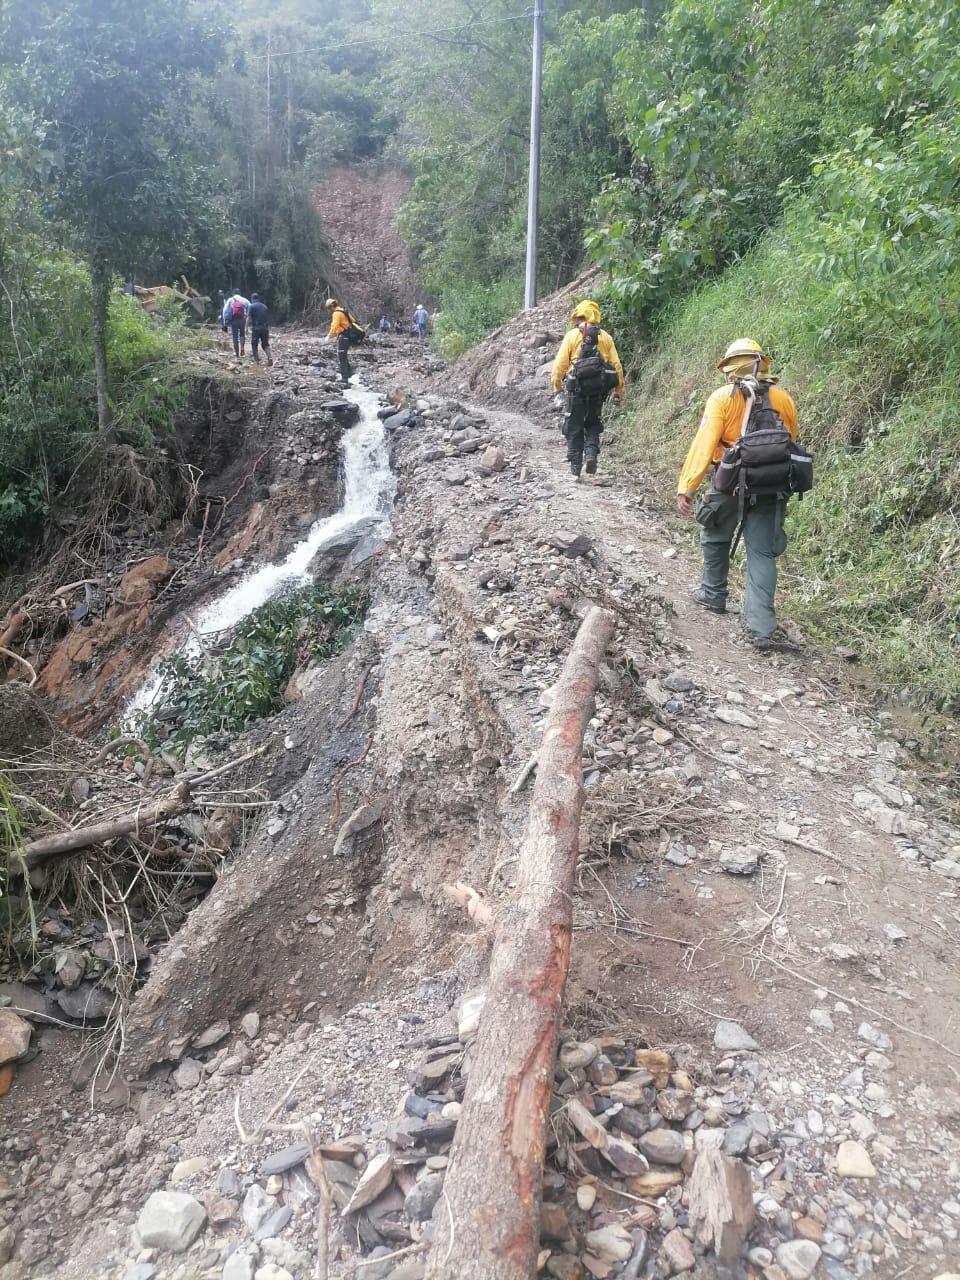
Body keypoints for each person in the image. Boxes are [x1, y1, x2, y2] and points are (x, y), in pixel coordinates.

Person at [676, 338, 799, 650]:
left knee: (715, 533)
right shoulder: (783, 398)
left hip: (728, 479)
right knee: (761, 553)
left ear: (728, 368)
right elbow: (791, 442)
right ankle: (761, 627)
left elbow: (704, 445)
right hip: (771, 486)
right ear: (763, 364)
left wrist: (687, 486)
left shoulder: (722, 398)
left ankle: (713, 594)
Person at [550, 300, 624, 478]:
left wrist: (556, 386)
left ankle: (576, 467)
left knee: (574, 425)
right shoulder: (605, 337)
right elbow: (617, 365)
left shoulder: (572, 336)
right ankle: (591, 455)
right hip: (598, 389)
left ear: (579, 316)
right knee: (592, 422)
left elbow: (560, 365)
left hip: (576, 388)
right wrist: (618, 392)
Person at [325, 297, 358, 386]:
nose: (329, 311)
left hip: (343, 338)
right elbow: (353, 321)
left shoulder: (336, 314)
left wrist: (329, 335)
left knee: (341, 358)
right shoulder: (344, 311)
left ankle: (345, 379)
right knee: (344, 356)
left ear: (331, 307)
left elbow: (334, 325)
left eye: (328, 309)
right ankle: (349, 374)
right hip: (348, 337)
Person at [221, 288, 250, 360]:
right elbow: (250, 309)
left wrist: (225, 323)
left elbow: (225, 311)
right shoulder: (245, 300)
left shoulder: (230, 300)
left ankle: (237, 354)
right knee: (242, 334)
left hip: (234, 319)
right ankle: (242, 348)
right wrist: (248, 319)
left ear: (233, 293)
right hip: (243, 319)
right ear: (240, 293)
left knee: (235, 336)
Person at [247, 293, 273, 366]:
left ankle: (256, 360)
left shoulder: (252, 306)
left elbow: (248, 318)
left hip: (256, 328)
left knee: (254, 344)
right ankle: (269, 357)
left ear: (252, 299)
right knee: (265, 344)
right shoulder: (265, 306)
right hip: (265, 328)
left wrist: (246, 328)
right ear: (258, 299)